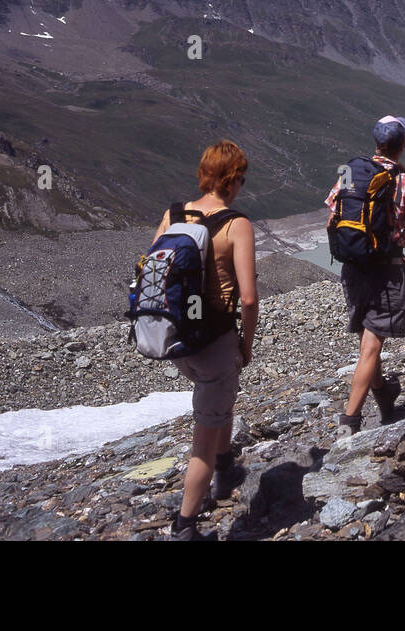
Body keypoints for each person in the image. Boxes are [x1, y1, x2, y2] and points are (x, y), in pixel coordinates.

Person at [153, 139, 258, 541]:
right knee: (203, 439)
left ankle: (227, 463)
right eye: (242, 178)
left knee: (219, 403)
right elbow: (248, 298)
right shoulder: (236, 224)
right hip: (215, 341)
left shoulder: (173, 214)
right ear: (232, 180)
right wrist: (245, 344)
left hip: (179, 340)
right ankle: (185, 526)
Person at [324, 115, 405, 437]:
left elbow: (332, 217)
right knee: (370, 349)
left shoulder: (347, 172)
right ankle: (350, 421)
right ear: (404, 145)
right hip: (387, 272)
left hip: (353, 269)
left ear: (376, 143)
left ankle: (384, 395)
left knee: (367, 346)